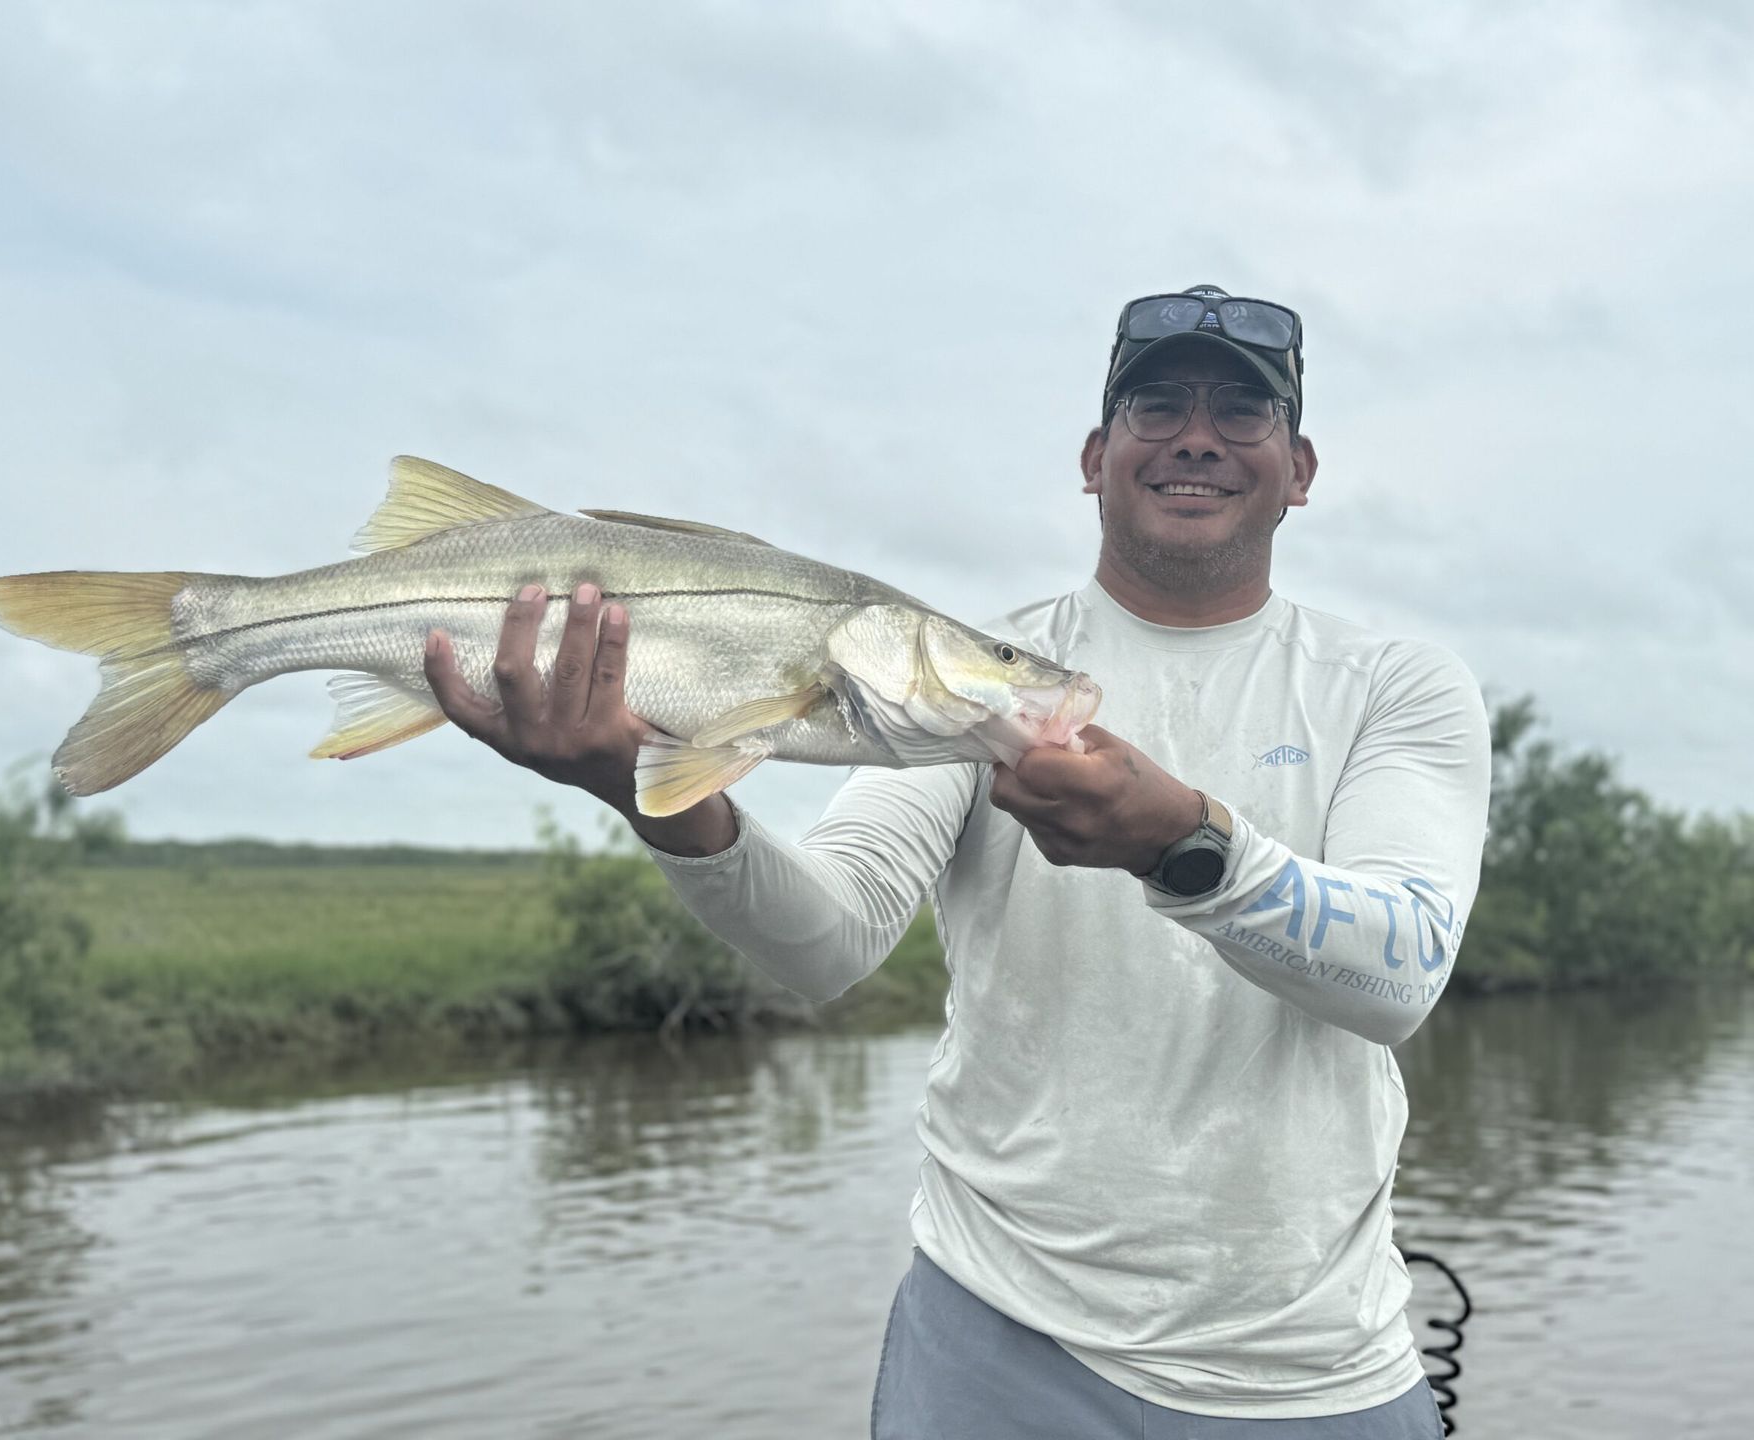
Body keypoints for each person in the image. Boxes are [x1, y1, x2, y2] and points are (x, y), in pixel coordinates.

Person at [421, 285, 1491, 1439]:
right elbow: (825, 941)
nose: (1195, 437)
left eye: (1244, 413)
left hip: (1316, 1368)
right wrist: (650, 798)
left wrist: (1180, 843)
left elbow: (1400, 976)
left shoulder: (1395, 686)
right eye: (1154, 408)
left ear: (1301, 465)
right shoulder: (957, 686)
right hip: (994, 1345)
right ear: (1095, 456)